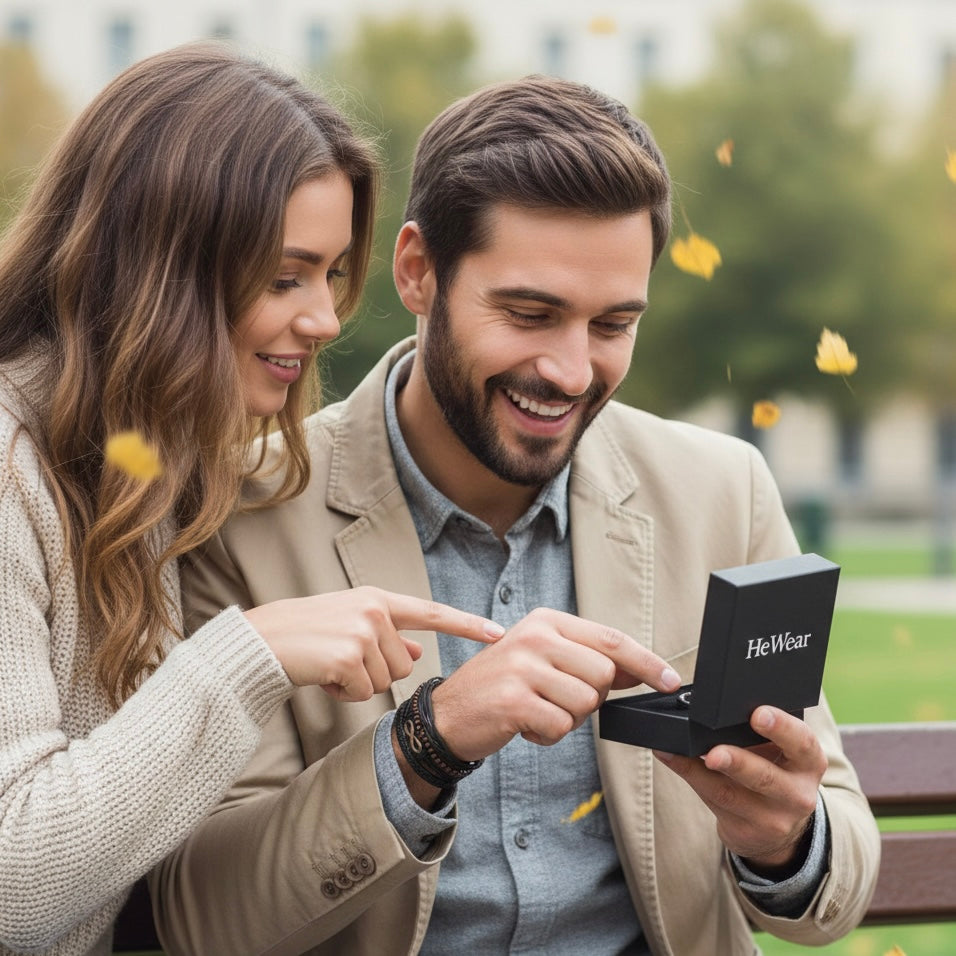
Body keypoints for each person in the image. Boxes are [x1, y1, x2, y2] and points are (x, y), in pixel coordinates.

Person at [152, 75, 880, 956]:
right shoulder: (236, 514)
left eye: (613, 324)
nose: (572, 372)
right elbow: (203, 917)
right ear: (419, 272)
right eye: (531, 314)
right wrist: (429, 741)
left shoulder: (724, 491)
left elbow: (831, 877)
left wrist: (785, 841)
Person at [0, 43, 506, 956]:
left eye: (330, 274)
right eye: (284, 276)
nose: (324, 320)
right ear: (159, 271)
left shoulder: (144, 468)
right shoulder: (9, 469)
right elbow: (16, 884)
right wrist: (253, 650)